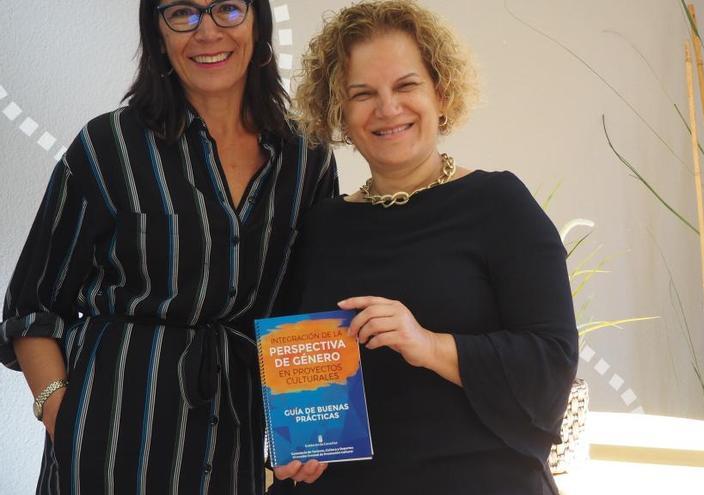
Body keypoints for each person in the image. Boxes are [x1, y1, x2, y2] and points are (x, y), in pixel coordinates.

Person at [1, 1, 335, 493]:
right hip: (109, 438)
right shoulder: (108, 145)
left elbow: (306, 310)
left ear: (258, 22)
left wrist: (312, 431)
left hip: (234, 438)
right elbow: (32, 308)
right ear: (157, 34)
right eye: (183, 12)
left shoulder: (307, 160)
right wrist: (60, 413)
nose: (207, 31)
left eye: (227, 8)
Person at [271, 1, 578, 494]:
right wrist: (296, 444)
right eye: (362, 94)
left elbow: (552, 366)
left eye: (406, 85)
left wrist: (427, 344)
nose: (387, 107)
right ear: (340, 114)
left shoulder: (499, 204)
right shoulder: (324, 224)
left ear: (440, 91)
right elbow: (297, 364)